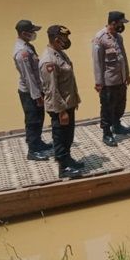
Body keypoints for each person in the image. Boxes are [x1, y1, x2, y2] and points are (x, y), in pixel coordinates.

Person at [39, 25, 84, 179]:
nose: (67, 41)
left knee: (68, 136)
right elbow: (51, 89)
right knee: (60, 137)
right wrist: (62, 111)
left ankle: (68, 159)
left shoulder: (60, 54)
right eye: (65, 38)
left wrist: (74, 100)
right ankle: (63, 168)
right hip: (60, 107)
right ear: (57, 40)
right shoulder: (49, 60)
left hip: (68, 102)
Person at [13, 19, 52, 161]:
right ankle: (33, 150)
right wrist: (37, 96)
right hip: (29, 92)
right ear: (24, 33)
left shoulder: (28, 46)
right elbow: (28, 76)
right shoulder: (22, 52)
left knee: (39, 117)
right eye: (32, 32)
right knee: (32, 120)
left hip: (36, 89)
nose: (34, 34)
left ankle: (38, 143)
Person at [92, 11, 130, 147]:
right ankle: (107, 133)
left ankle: (117, 125)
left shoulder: (118, 37)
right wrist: (98, 82)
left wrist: (127, 74)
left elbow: (123, 56)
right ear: (114, 23)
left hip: (120, 79)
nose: (122, 25)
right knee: (107, 108)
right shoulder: (100, 38)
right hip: (108, 81)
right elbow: (97, 62)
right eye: (121, 23)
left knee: (120, 105)